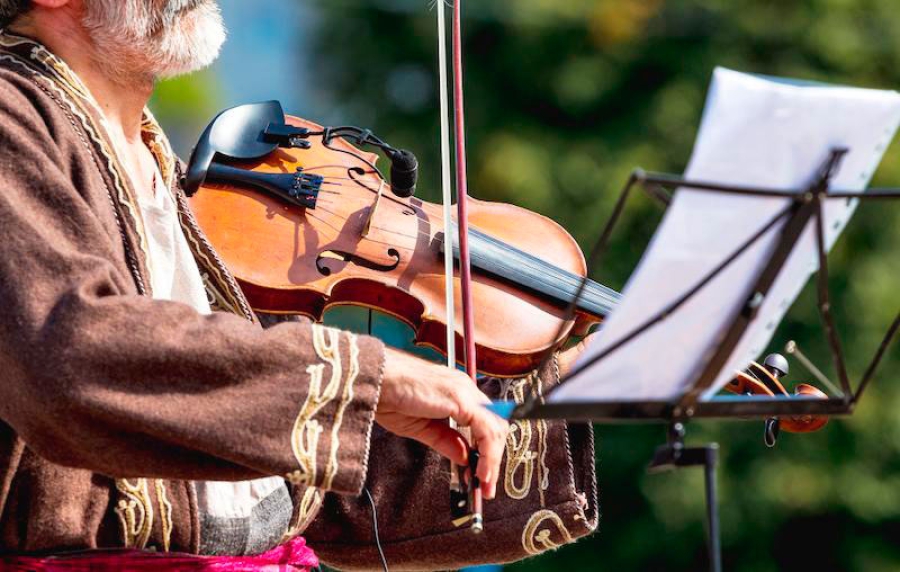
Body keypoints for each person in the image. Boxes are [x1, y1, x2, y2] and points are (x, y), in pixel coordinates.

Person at [0, 0, 597, 569]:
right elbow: (69, 354)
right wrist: (371, 376)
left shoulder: (161, 169)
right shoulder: (12, 120)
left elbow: (310, 487)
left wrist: (573, 380)